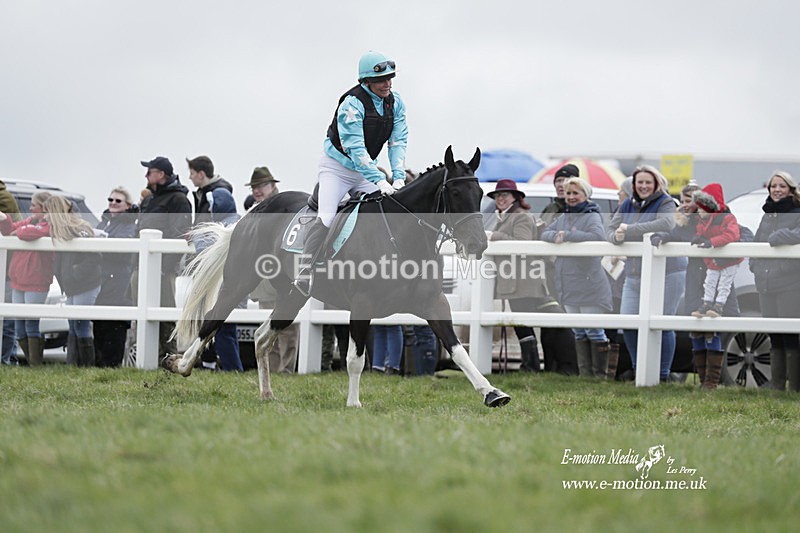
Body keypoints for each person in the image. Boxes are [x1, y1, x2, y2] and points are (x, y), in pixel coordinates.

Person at [292, 50, 408, 296]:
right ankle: (305, 269)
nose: (387, 83)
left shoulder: (396, 103)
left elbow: (398, 142)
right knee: (327, 217)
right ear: (366, 82)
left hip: (365, 170)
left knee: (387, 209)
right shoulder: (351, 105)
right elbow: (356, 149)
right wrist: (379, 179)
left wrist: (398, 177)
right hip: (337, 169)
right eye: (380, 80)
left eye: (390, 78)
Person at [651, 182, 741, 389]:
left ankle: (712, 381)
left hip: (717, 280)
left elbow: (740, 235)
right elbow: (674, 235)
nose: (686, 205)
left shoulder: (722, 218)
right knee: (695, 328)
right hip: (695, 280)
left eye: (691, 201)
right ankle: (703, 379)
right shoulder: (687, 223)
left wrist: (716, 244)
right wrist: (661, 237)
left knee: (714, 329)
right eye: (683, 201)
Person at [607, 165, 686, 382]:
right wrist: (617, 238)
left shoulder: (666, 202)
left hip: (668, 272)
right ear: (634, 185)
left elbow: (666, 223)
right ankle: (638, 368)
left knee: (662, 323)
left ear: (656, 183)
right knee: (629, 322)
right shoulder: (627, 203)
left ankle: (663, 374)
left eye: (647, 182)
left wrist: (629, 230)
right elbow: (611, 229)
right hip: (635, 271)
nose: (643, 186)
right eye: (639, 182)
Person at [541, 177, 613, 377]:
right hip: (568, 283)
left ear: (585, 195)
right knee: (579, 332)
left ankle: (600, 376)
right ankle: (585, 375)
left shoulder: (592, 215)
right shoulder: (564, 216)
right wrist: (557, 236)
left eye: (575, 193)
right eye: (568, 193)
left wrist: (569, 236)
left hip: (588, 282)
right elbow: (546, 233)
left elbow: (598, 237)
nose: (571, 197)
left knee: (593, 331)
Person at [486, 179, 552, 373]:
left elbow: (522, 243)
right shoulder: (505, 216)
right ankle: (529, 363)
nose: (500, 199)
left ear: (515, 197)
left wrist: (494, 236)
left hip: (523, 279)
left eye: (504, 195)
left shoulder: (521, 216)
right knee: (521, 324)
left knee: (522, 324)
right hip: (514, 278)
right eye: (498, 196)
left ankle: (531, 365)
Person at [749, 170, 800, 391]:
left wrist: (782, 237)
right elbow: (758, 241)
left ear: (790, 189)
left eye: (781, 186)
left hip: (789, 282)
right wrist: (754, 265)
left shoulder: (797, 211)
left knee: (790, 334)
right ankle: (777, 383)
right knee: (773, 333)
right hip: (765, 282)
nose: (777, 190)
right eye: (773, 186)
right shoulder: (766, 214)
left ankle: (795, 385)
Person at [137, 156, 192, 359]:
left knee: (165, 312)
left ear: (161, 174)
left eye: (150, 171)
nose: (146, 175)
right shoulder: (151, 199)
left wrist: (165, 266)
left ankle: (169, 356)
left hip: (164, 267)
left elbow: (180, 234)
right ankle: (150, 354)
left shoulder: (178, 200)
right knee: (144, 311)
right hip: (146, 265)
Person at [190, 179, 244, 372]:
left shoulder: (224, 227)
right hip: (235, 285)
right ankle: (218, 366)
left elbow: (205, 249)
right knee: (226, 330)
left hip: (224, 286)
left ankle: (232, 370)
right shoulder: (239, 222)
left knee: (222, 331)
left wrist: (197, 235)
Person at [45, 195, 102, 366]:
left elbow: (93, 258)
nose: (46, 216)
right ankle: (74, 365)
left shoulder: (79, 229)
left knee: (81, 324)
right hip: (71, 285)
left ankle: (85, 366)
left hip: (85, 284)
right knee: (74, 325)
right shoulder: (60, 231)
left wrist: (74, 273)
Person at [0, 191, 53, 366]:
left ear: (43, 207)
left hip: (36, 281)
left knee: (31, 324)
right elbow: (10, 230)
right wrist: (4, 218)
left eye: (33, 205)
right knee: (19, 326)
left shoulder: (50, 223)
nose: (30, 208)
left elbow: (34, 232)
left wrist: (20, 231)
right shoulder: (30, 221)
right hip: (18, 279)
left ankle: (35, 364)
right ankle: (32, 362)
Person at [93, 187, 138, 367]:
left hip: (119, 280)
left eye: (118, 201)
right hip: (100, 279)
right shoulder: (103, 223)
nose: (113, 203)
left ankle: (111, 366)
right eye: (110, 200)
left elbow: (122, 253)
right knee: (99, 324)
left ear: (127, 205)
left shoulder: (129, 225)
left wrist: (102, 242)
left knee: (114, 325)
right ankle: (99, 366)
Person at [688, 184, 744, 319]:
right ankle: (707, 303)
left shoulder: (727, 218)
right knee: (710, 282)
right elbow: (701, 231)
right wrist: (698, 237)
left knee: (725, 283)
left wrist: (711, 242)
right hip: (713, 260)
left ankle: (719, 305)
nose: (699, 211)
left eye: (702, 208)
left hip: (729, 260)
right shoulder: (703, 220)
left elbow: (732, 235)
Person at [0, 180, 23, 365]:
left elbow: (9, 228)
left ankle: (6, 359)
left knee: (7, 320)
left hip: (7, 269)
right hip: (8, 267)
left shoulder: (4, 199)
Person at [187, 155, 234, 225]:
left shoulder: (219, 196)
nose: (190, 177)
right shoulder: (202, 194)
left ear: (201, 174)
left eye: (192, 173)